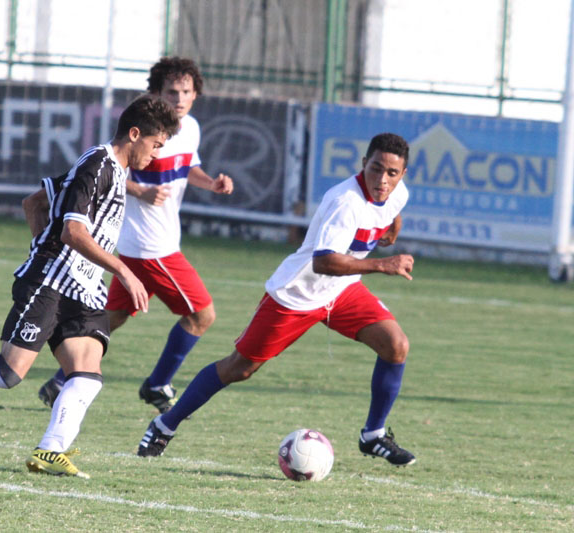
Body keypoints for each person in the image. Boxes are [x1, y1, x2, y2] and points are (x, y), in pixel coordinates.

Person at [0, 95, 180, 479]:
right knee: (6, 375)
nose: (156, 154)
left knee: (88, 374)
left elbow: (34, 202)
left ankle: (50, 451)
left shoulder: (115, 172)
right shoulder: (97, 165)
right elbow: (73, 231)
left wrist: (44, 240)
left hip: (83, 288)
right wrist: (118, 269)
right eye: (156, 145)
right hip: (50, 283)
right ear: (135, 134)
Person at [137, 132, 418, 467]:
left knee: (396, 345)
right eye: (376, 169)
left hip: (341, 291)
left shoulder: (396, 193)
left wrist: (392, 228)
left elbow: (391, 210)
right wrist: (382, 264)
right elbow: (323, 262)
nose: (382, 180)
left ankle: (373, 435)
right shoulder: (345, 202)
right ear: (363, 164)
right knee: (239, 368)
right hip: (297, 294)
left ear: (402, 175)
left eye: (391, 173)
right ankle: (164, 425)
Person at [37, 57, 234, 413]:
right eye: (171, 91)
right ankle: (158, 385)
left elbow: (186, 166)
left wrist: (211, 183)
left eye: (186, 91)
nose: (179, 98)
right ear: (155, 93)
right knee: (202, 315)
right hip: (151, 247)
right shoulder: (142, 130)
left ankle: (63, 378)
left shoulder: (189, 129)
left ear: (195, 95)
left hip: (138, 245)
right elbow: (107, 169)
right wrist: (139, 191)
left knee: (113, 317)